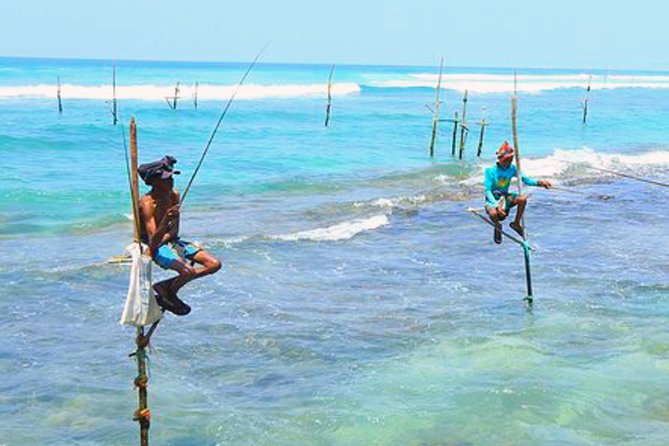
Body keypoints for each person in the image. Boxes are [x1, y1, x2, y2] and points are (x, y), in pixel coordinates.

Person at [138, 156, 222, 315]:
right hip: (154, 244)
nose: (171, 182)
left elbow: (174, 231)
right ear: (154, 181)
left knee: (214, 264)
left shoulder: (174, 195)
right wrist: (165, 221)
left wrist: (170, 232)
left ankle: (166, 288)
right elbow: (152, 242)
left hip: (171, 239)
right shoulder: (147, 203)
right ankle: (170, 293)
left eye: (172, 177)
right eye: (166, 179)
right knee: (187, 271)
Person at [484, 141, 553, 244]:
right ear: (501, 159)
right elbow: (487, 191)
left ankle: (516, 223)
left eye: (511, 159)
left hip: (505, 198)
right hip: (493, 199)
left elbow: (526, 180)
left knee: (522, 199)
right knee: (494, 213)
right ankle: (497, 225)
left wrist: (541, 183)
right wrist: (497, 205)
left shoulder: (512, 168)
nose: (510, 162)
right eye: (508, 160)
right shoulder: (490, 171)